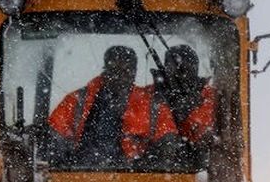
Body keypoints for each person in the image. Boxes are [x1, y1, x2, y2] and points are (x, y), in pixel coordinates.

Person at [48, 46, 177, 168]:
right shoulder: (76, 101)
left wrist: (148, 165)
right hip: (76, 180)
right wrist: (62, 163)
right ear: (105, 71)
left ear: (135, 72)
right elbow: (53, 137)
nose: (120, 76)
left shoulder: (153, 106)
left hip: (136, 181)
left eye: (126, 71)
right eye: (114, 70)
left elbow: (167, 145)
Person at [149, 45, 216, 143]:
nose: (182, 76)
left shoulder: (209, 96)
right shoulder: (147, 95)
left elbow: (205, 132)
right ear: (165, 70)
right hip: (154, 156)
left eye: (187, 69)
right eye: (175, 70)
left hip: (198, 154)